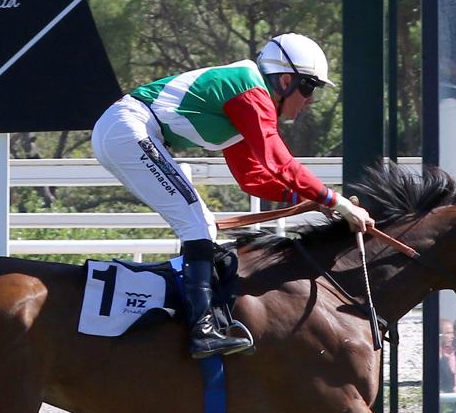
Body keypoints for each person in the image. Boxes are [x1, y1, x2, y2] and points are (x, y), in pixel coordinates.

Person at [92, 33, 375, 358]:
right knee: (197, 225)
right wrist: (333, 201)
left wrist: (304, 200)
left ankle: (197, 319)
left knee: (199, 225)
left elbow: (253, 178)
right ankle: (201, 330)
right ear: (284, 80)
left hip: (124, 130)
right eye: (309, 87)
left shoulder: (247, 101)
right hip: (128, 129)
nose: (310, 100)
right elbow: (280, 162)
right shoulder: (251, 92)